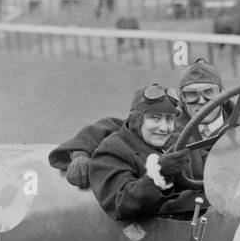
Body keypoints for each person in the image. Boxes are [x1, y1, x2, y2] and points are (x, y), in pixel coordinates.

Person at [86, 85, 204, 221]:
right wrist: (159, 173)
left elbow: (214, 171)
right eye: (156, 118)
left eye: (169, 119)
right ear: (137, 120)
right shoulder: (112, 150)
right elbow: (119, 203)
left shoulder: (181, 142)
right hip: (147, 235)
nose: (164, 128)